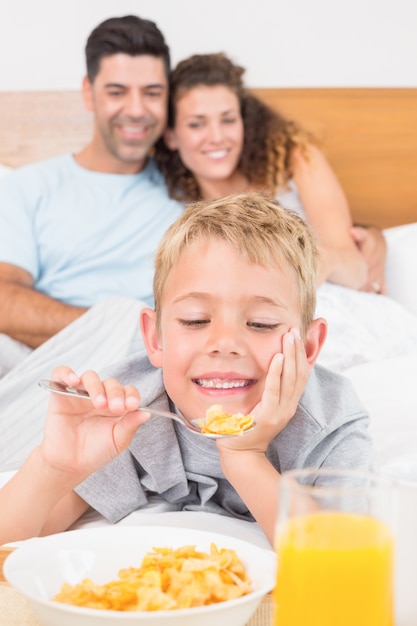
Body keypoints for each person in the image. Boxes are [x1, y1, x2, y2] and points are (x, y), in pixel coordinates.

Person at [0, 192, 371, 546]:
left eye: (260, 323)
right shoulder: (133, 412)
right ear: (156, 339)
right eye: (195, 320)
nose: (224, 342)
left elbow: (341, 563)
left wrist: (245, 456)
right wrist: (53, 467)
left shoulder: (332, 423)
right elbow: (13, 544)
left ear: (307, 347)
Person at [154, 52, 417, 372]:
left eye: (228, 119)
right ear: (171, 136)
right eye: (197, 124)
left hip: (327, 306)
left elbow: (356, 270)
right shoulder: (168, 207)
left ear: (244, 121)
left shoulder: (296, 159)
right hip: (246, 331)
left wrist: (317, 260)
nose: (217, 136)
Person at [0, 15, 184, 468]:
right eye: (117, 92)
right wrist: (109, 327)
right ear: (89, 92)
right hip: (41, 356)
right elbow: (4, 299)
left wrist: (367, 239)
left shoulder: (189, 190)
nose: (137, 109)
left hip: (139, 368)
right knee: (126, 315)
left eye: (153, 92)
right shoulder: (29, 187)